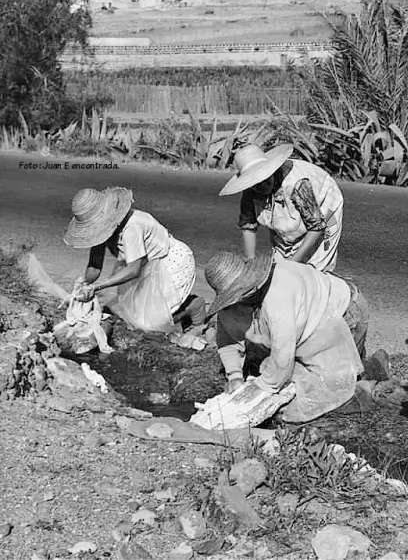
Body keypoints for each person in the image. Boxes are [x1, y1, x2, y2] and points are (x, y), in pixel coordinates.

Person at [203, 250, 369, 423]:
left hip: (343, 310)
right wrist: (235, 376)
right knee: (314, 376)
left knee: (343, 381)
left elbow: (283, 354)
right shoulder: (234, 306)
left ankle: (369, 384)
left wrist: (262, 387)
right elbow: (228, 340)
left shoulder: (280, 292)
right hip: (308, 318)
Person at [64, 187, 205, 334]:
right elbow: (95, 265)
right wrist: (84, 282)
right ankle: (173, 313)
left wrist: (97, 287)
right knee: (126, 315)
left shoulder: (132, 228)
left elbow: (133, 270)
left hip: (169, 262)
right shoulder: (100, 232)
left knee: (147, 326)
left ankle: (191, 306)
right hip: (145, 266)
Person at [220, 144, 344, 272]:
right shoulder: (250, 190)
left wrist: (292, 264)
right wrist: (251, 260)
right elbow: (248, 225)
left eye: (265, 179)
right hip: (292, 208)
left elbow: (317, 226)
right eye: (256, 183)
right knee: (280, 259)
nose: (262, 185)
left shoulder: (297, 184)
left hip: (325, 206)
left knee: (316, 267)